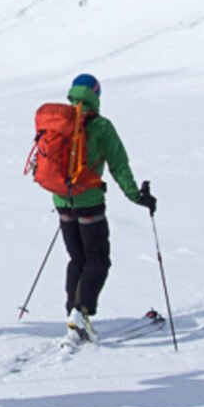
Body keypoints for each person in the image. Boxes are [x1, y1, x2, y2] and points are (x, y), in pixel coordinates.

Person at [45, 73, 155, 343]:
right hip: (89, 202)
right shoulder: (102, 127)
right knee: (98, 259)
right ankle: (80, 313)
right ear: (96, 95)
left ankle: (74, 313)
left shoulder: (59, 122)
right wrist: (138, 197)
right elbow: (119, 165)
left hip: (62, 202)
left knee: (77, 259)